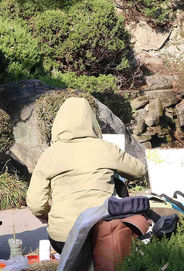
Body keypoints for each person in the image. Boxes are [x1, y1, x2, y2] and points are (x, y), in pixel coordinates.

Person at [26, 97, 147, 253]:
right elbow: (139, 171)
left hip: (62, 237)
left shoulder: (49, 155)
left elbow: (35, 203)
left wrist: (48, 217)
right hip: (102, 232)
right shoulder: (106, 148)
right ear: (92, 122)